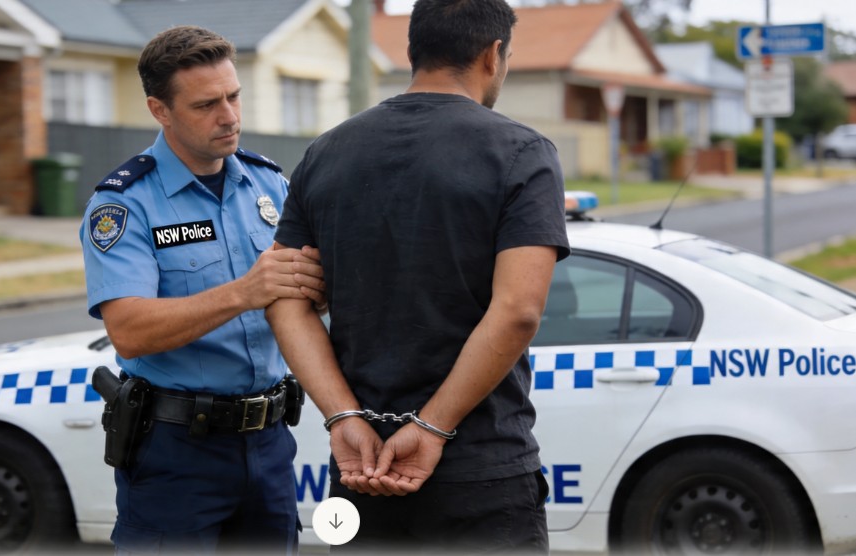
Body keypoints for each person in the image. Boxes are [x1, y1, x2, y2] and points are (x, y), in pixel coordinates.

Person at [266, 0, 570, 552]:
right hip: (482, 471)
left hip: (360, 472)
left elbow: (286, 301)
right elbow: (518, 311)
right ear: (493, 54)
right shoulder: (522, 153)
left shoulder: (324, 154)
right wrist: (432, 428)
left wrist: (342, 418)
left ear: (413, 50)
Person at [80, 25, 325, 554]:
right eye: (206, 104)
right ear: (160, 110)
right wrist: (243, 292)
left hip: (270, 441)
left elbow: (297, 295)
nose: (229, 116)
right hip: (177, 453)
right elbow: (129, 331)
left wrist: (317, 290)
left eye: (234, 96)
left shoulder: (268, 184)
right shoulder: (125, 205)